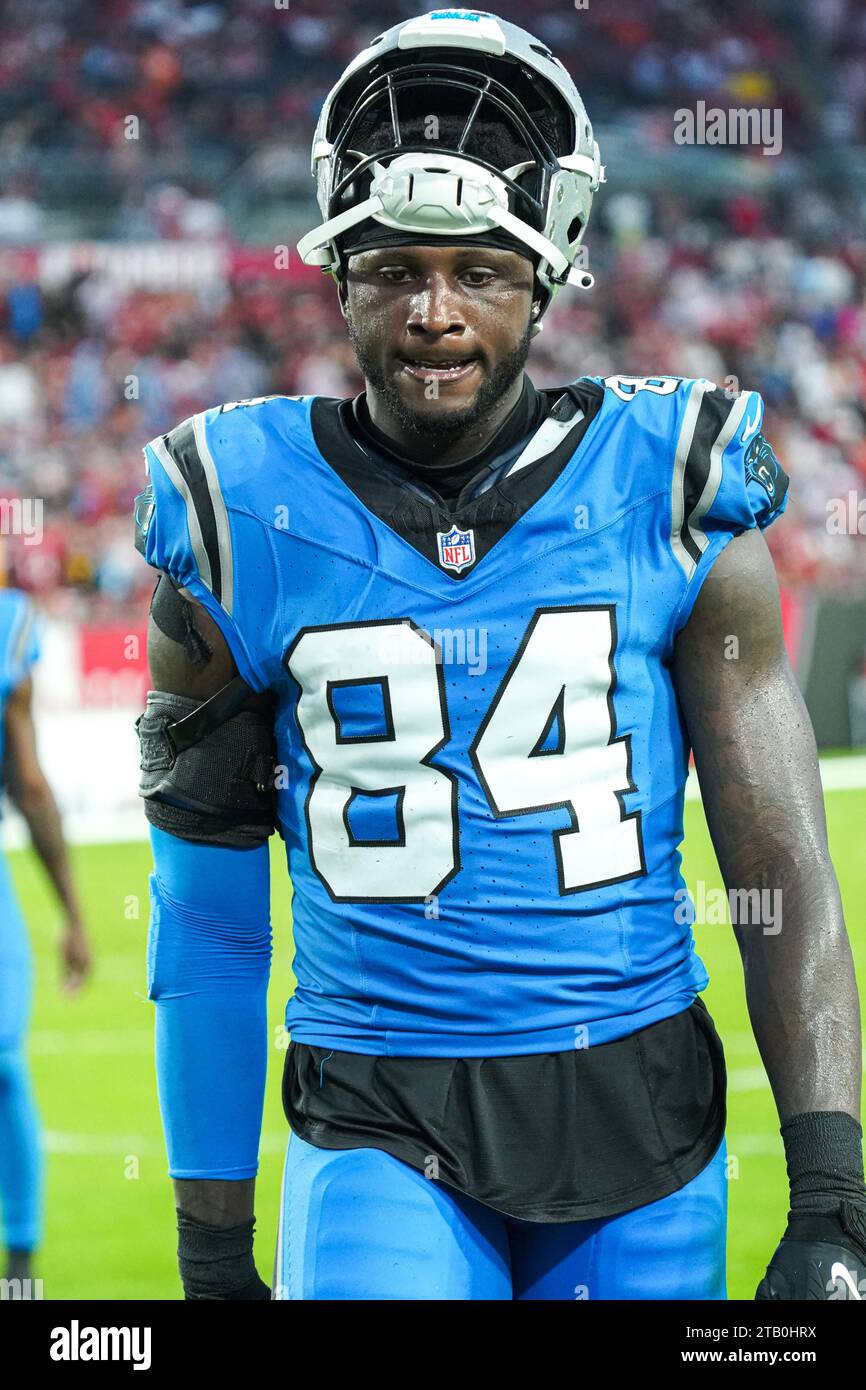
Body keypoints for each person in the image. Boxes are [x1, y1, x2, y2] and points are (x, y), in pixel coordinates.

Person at [135, 10, 864, 1300]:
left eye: (477, 268)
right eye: (393, 268)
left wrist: (831, 1199)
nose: (432, 312)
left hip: (640, 1109)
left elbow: (777, 859)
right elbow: (206, 916)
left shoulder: (670, 481)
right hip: (376, 1114)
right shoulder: (232, 507)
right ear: (336, 274)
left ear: (547, 272)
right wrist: (207, 1254)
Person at [0, 587, 90, 1294]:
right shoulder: (8, 622)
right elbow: (27, 785)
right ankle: (20, 1274)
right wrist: (73, 914)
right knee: (4, 1070)